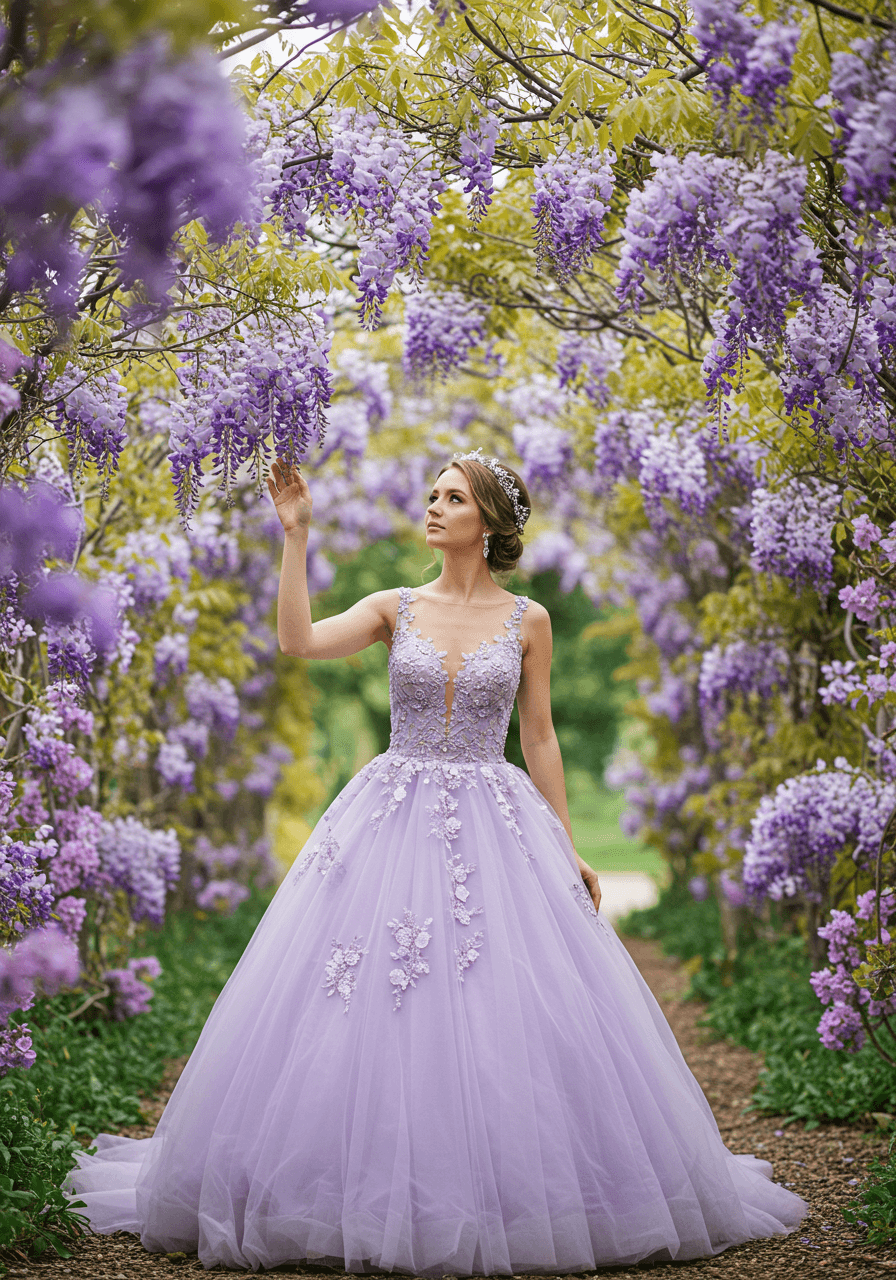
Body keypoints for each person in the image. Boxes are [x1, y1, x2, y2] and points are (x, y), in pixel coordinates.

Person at [66, 448, 807, 1274]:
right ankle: (349, 1186)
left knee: (500, 1001)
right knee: (368, 996)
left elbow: (539, 736)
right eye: (431, 494)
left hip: (497, 816)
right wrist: (296, 536)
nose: (433, 506)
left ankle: (506, 1192)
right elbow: (297, 642)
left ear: (487, 521)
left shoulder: (530, 620)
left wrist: (568, 843)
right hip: (391, 813)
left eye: (452, 498)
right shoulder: (394, 606)